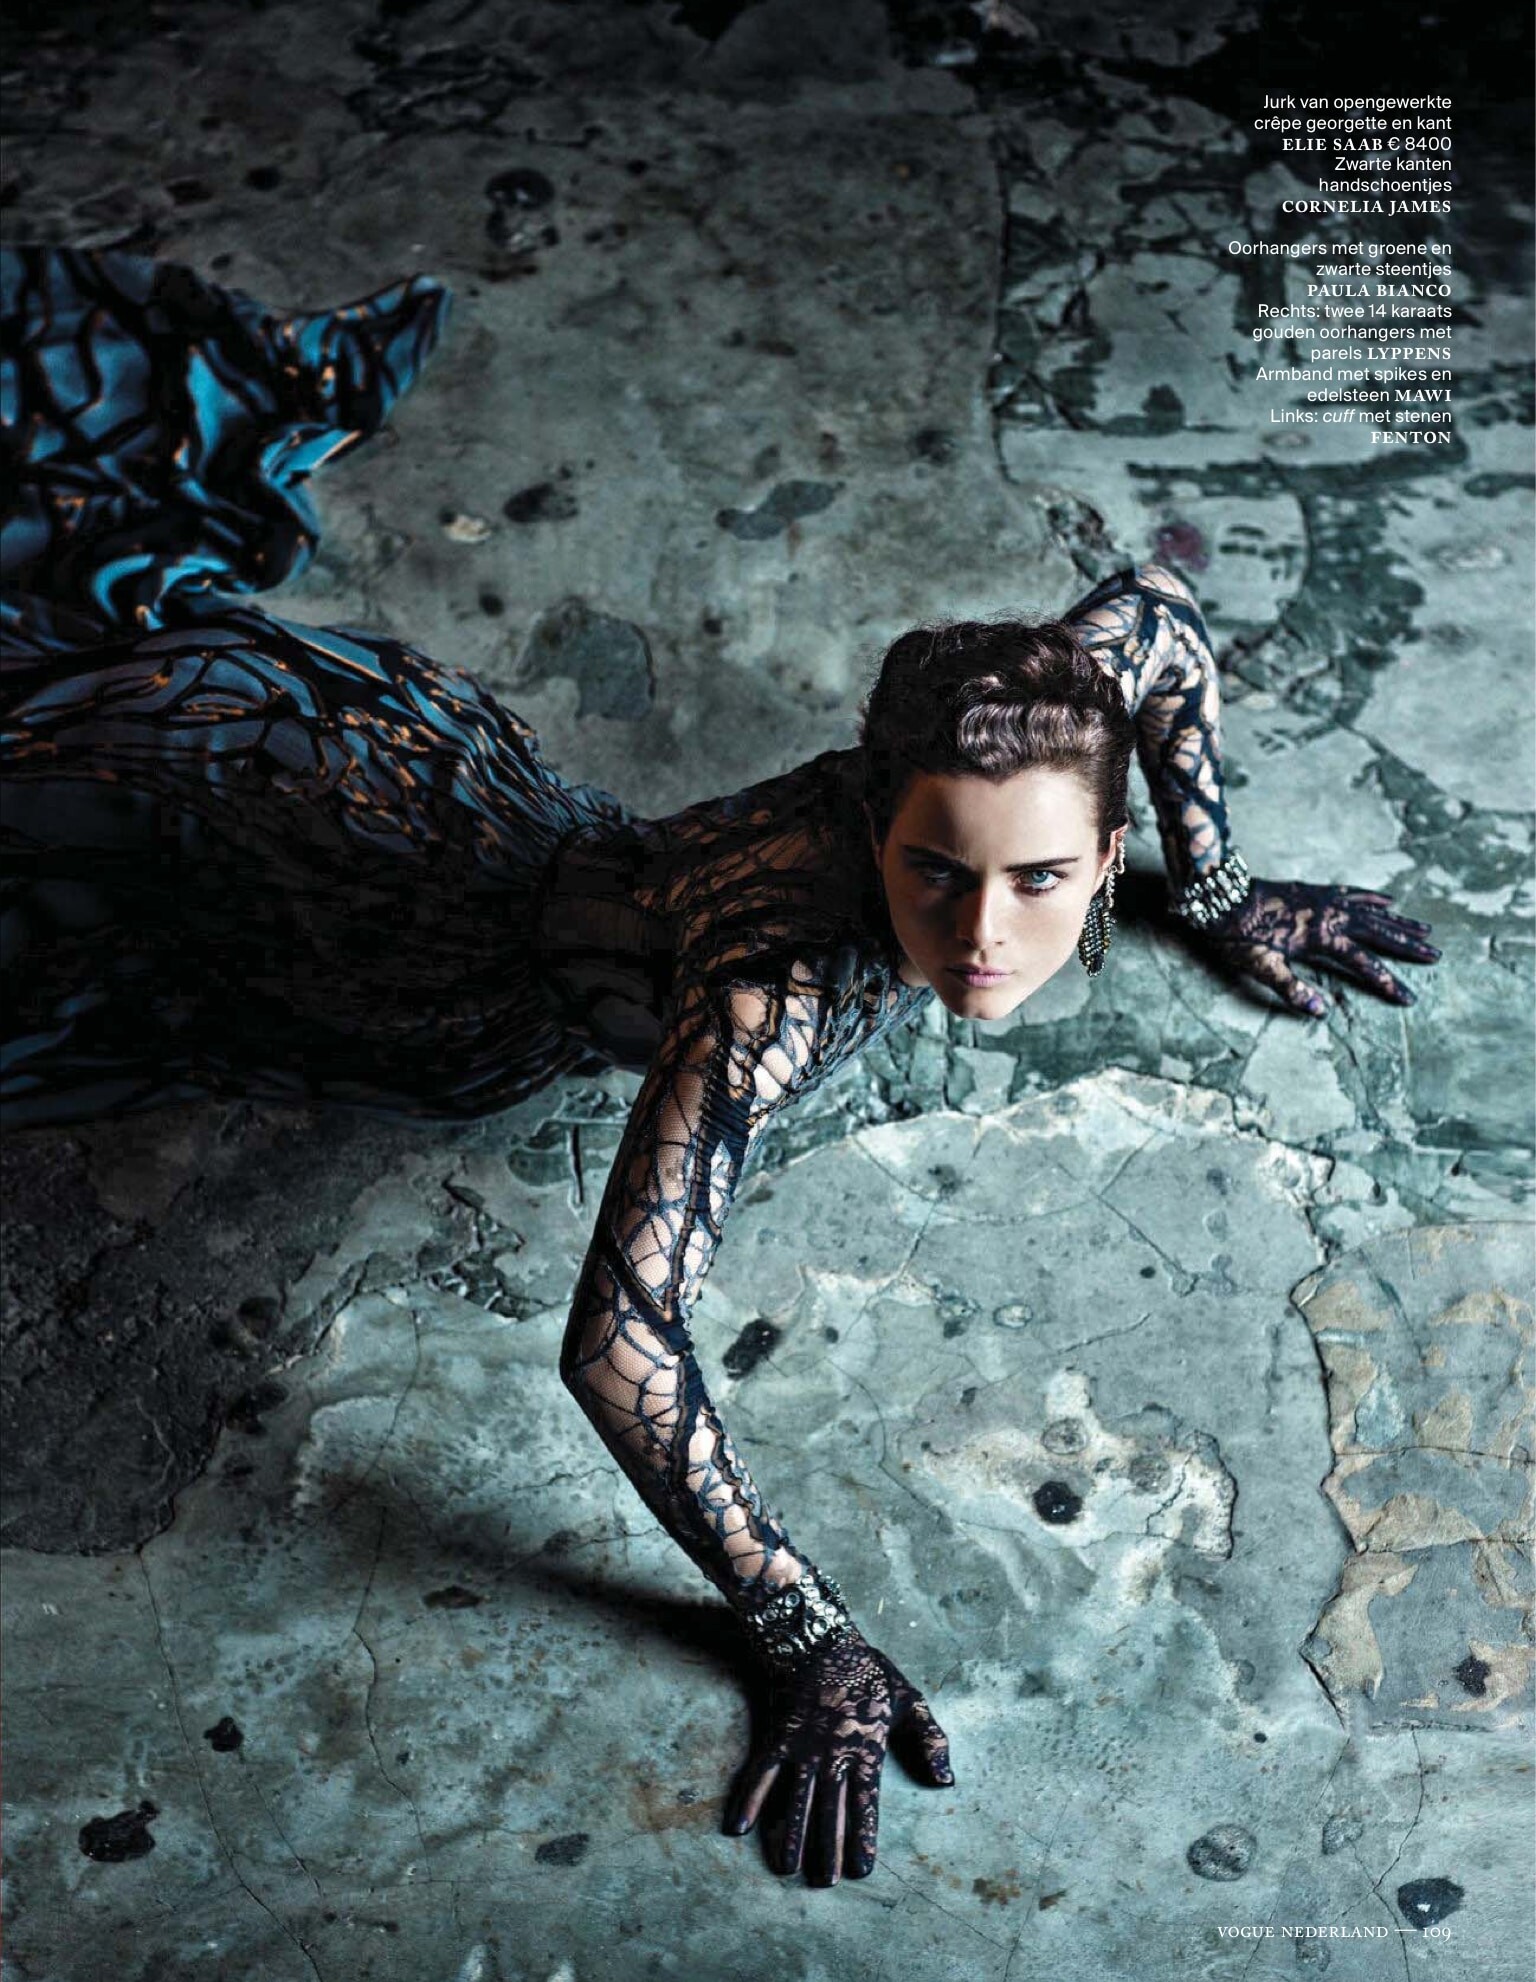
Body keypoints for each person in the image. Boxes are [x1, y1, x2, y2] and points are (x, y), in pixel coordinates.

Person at [0, 248, 1439, 1886]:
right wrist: (806, 1627)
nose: (982, 935)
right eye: (933, 870)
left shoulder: (1048, 709)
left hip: (450, 782)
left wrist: (1227, 890)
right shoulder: (771, 993)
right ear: (877, 813)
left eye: (1041, 878)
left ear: (1109, 852)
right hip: (392, 912)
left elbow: (1162, 627)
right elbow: (619, 1346)